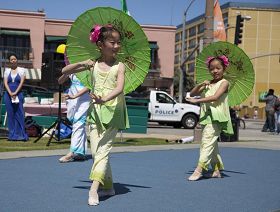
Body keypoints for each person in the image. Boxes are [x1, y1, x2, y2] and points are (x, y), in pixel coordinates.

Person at [61, 24, 129, 206]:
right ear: (100, 44)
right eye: (112, 42)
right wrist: (83, 63)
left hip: (114, 111)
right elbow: (64, 71)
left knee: (103, 152)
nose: (116, 46)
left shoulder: (120, 65)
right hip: (95, 114)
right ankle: (109, 187)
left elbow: (119, 88)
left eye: (118, 43)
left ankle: (93, 189)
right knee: (97, 151)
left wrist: (103, 99)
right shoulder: (93, 64)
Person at [186, 55, 233, 181]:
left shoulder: (225, 83)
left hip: (217, 117)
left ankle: (199, 169)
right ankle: (216, 169)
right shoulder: (208, 83)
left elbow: (215, 97)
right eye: (212, 69)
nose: (215, 71)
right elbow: (192, 93)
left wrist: (197, 101)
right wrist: (201, 84)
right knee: (212, 143)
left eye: (218, 68)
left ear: (224, 68)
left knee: (206, 142)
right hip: (206, 116)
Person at [57, 73, 91, 162]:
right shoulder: (72, 67)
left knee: (78, 124)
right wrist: (67, 73)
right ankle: (80, 152)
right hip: (72, 100)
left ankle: (71, 153)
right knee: (75, 123)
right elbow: (60, 81)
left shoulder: (90, 68)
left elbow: (89, 86)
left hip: (84, 100)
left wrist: (75, 96)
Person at [3, 54, 28, 141]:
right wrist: (10, 93)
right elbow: (5, 83)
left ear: (17, 60)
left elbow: (22, 82)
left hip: (18, 94)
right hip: (8, 95)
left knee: (19, 114)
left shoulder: (22, 70)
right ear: (9, 61)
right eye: (11, 59)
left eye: (14, 59)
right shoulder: (6, 71)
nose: (13, 60)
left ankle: (21, 135)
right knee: (10, 115)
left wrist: (15, 92)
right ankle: (12, 135)